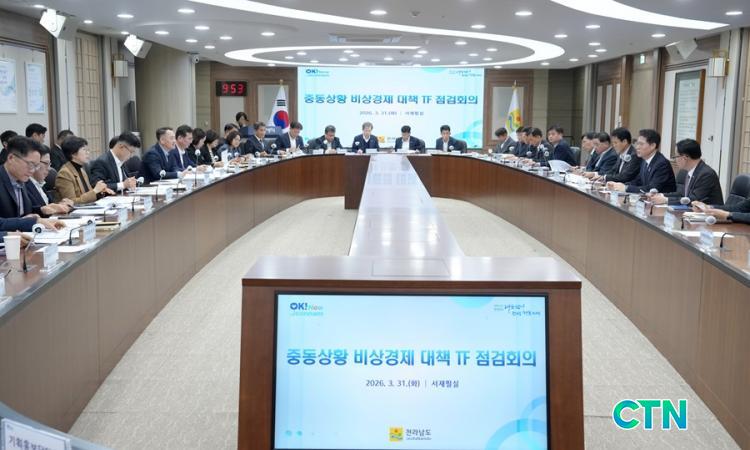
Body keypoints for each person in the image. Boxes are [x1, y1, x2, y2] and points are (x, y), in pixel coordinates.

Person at [649, 139, 723, 206]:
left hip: (709, 215)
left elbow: (693, 199)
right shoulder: (687, 172)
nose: (675, 160)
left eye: (676, 156)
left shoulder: (706, 174)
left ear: (685, 157)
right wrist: (661, 195)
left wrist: (666, 200)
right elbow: (682, 194)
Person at [0, 136, 59, 218]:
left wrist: (42, 210)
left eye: (36, 166)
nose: (32, 170)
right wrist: (26, 222)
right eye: (30, 164)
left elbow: (22, 213)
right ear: (11, 158)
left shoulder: (21, 179)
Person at [608, 129, 676, 194]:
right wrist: (619, 185)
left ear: (653, 145)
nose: (637, 147)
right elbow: (638, 181)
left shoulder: (661, 164)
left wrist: (626, 188)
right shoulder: (644, 160)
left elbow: (652, 189)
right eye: (637, 144)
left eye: (641, 144)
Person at [55, 137, 115, 204]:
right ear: (73, 154)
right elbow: (70, 202)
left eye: (88, 150)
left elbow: (87, 194)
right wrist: (95, 191)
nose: (88, 153)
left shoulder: (82, 170)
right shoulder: (64, 173)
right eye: (84, 150)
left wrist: (101, 192)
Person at [25, 143, 72, 215]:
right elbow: (31, 212)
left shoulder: (40, 183)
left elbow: (48, 206)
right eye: (46, 163)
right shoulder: (24, 185)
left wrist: (61, 205)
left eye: (49, 164)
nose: (49, 168)